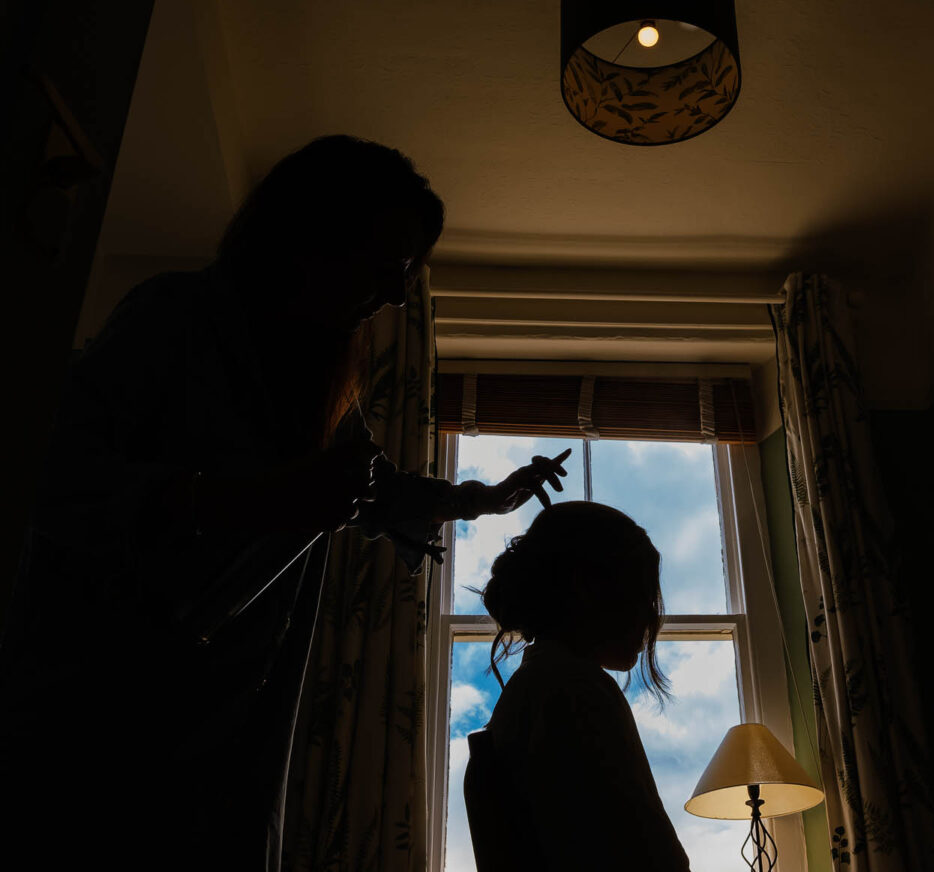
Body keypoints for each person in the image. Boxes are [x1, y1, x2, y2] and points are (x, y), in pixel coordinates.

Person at [0, 135, 568, 870]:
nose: (398, 295)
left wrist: (476, 499)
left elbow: (374, 487)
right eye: (389, 266)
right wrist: (241, 501)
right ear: (310, 236)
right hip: (92, 714)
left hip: (227, 730)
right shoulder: (171, 318)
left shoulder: (318, 385)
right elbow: (53, 476)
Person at [464, 501, 692, 872]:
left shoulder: (537, 687)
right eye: (642, 594)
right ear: (587, 588)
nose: (652, 615)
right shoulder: (576, 690)